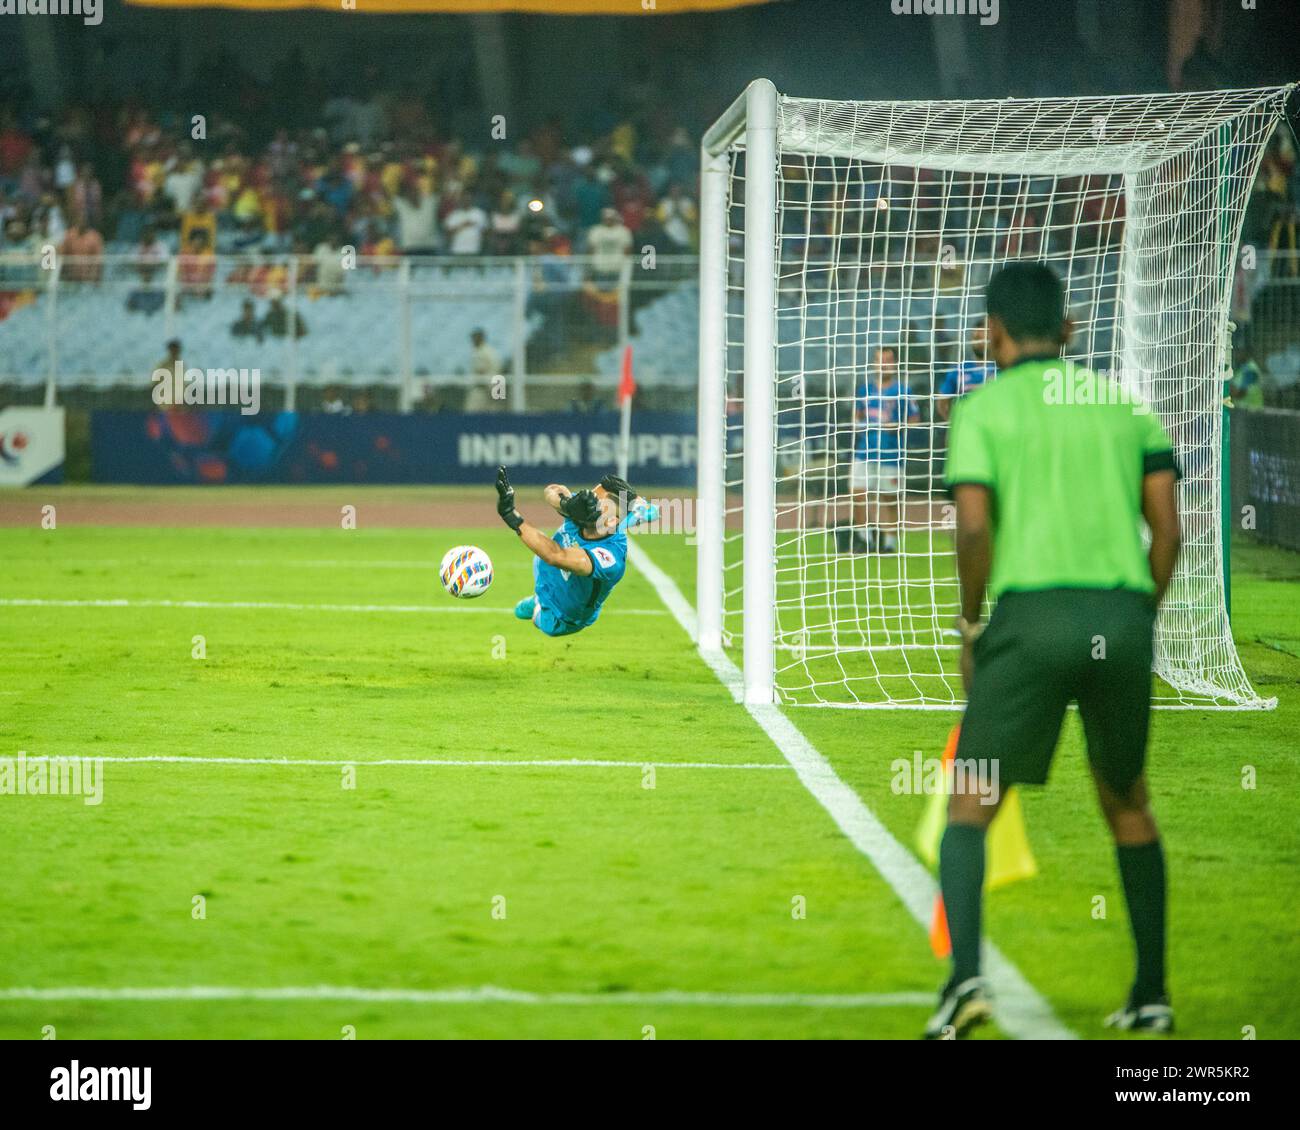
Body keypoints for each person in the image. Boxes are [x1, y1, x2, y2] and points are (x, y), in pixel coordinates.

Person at [926, 261, 1182, 1039]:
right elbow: (1168, 530)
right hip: (1120, 617)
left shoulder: (981, 410)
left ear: (990, 332)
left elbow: (973, 527)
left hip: (1030, 620)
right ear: (1069, 329)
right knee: (1127, 801)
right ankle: (1151, 994)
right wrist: (1137, 613)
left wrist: (972, 625)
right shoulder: (1125, 407)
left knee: (970, 800)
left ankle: (966, 981)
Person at [495, 467, 634, 638]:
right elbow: (552, 490)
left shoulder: (610, 557)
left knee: (540, 620)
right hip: (547, 571)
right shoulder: (584, 506)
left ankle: (538, 604)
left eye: (598, 503)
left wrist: (511, 516)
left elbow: (556, 556)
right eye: (592, 495)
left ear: (612, 520)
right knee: (540, 555)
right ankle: (540, 596)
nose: (588, 502)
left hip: (563, 615)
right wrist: (566, 504)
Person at [846, 346, 918, 554]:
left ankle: (889, 543)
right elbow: (857, 416)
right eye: (880, 360)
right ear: (874, 364)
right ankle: (864, 539)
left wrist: (898, 426)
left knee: (890, 498)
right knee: (857, 492)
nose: (884, 364)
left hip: (891, 454)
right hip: (864, 451)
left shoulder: (903, 391)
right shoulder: (864, 390)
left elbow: (914, 419)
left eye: (888, 360)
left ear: (895, 364)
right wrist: (859, 425)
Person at [935, 325, 995, 422]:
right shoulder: (960, 369)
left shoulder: (1002, 369)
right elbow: (942, 402)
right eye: (975, 338)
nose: (979, 343)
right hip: (969, 427)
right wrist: (954, 423)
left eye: (982, 338)